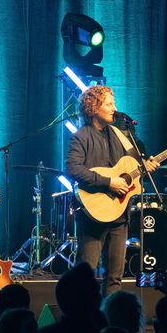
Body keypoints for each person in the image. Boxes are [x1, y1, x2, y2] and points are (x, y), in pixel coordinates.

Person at [64, 85, 156, 294]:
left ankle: (111, 321)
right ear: (94, 108)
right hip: (92, 215)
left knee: (115, 276)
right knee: (85, 274)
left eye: (113, 103)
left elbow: (133, 166)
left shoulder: (120, 134)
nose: (114, 108)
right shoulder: (81, 136)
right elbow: (72, 169)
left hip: (119, 214)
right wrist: (108, 182)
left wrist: (145, 165)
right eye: (109, 104)